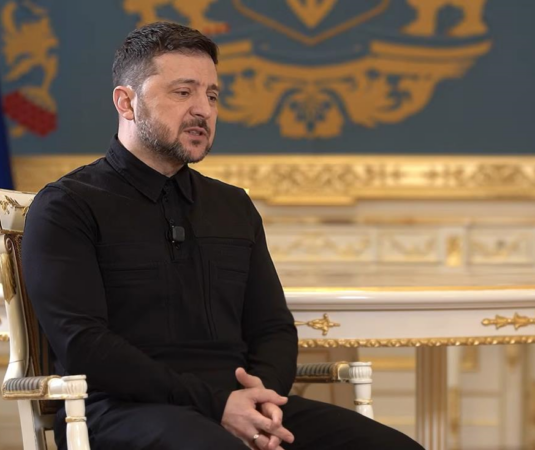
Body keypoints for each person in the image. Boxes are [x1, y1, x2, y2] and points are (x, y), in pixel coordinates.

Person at [22, 21, 423, 450]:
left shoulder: (233, 206)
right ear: (127, 102)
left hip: (239, 404)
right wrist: (217, 405)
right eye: (183, 92)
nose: (204, 110)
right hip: (119, 411)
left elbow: (273, 328)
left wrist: (260, 400)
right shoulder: (68, 206)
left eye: (212, 96)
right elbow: (85, 345)